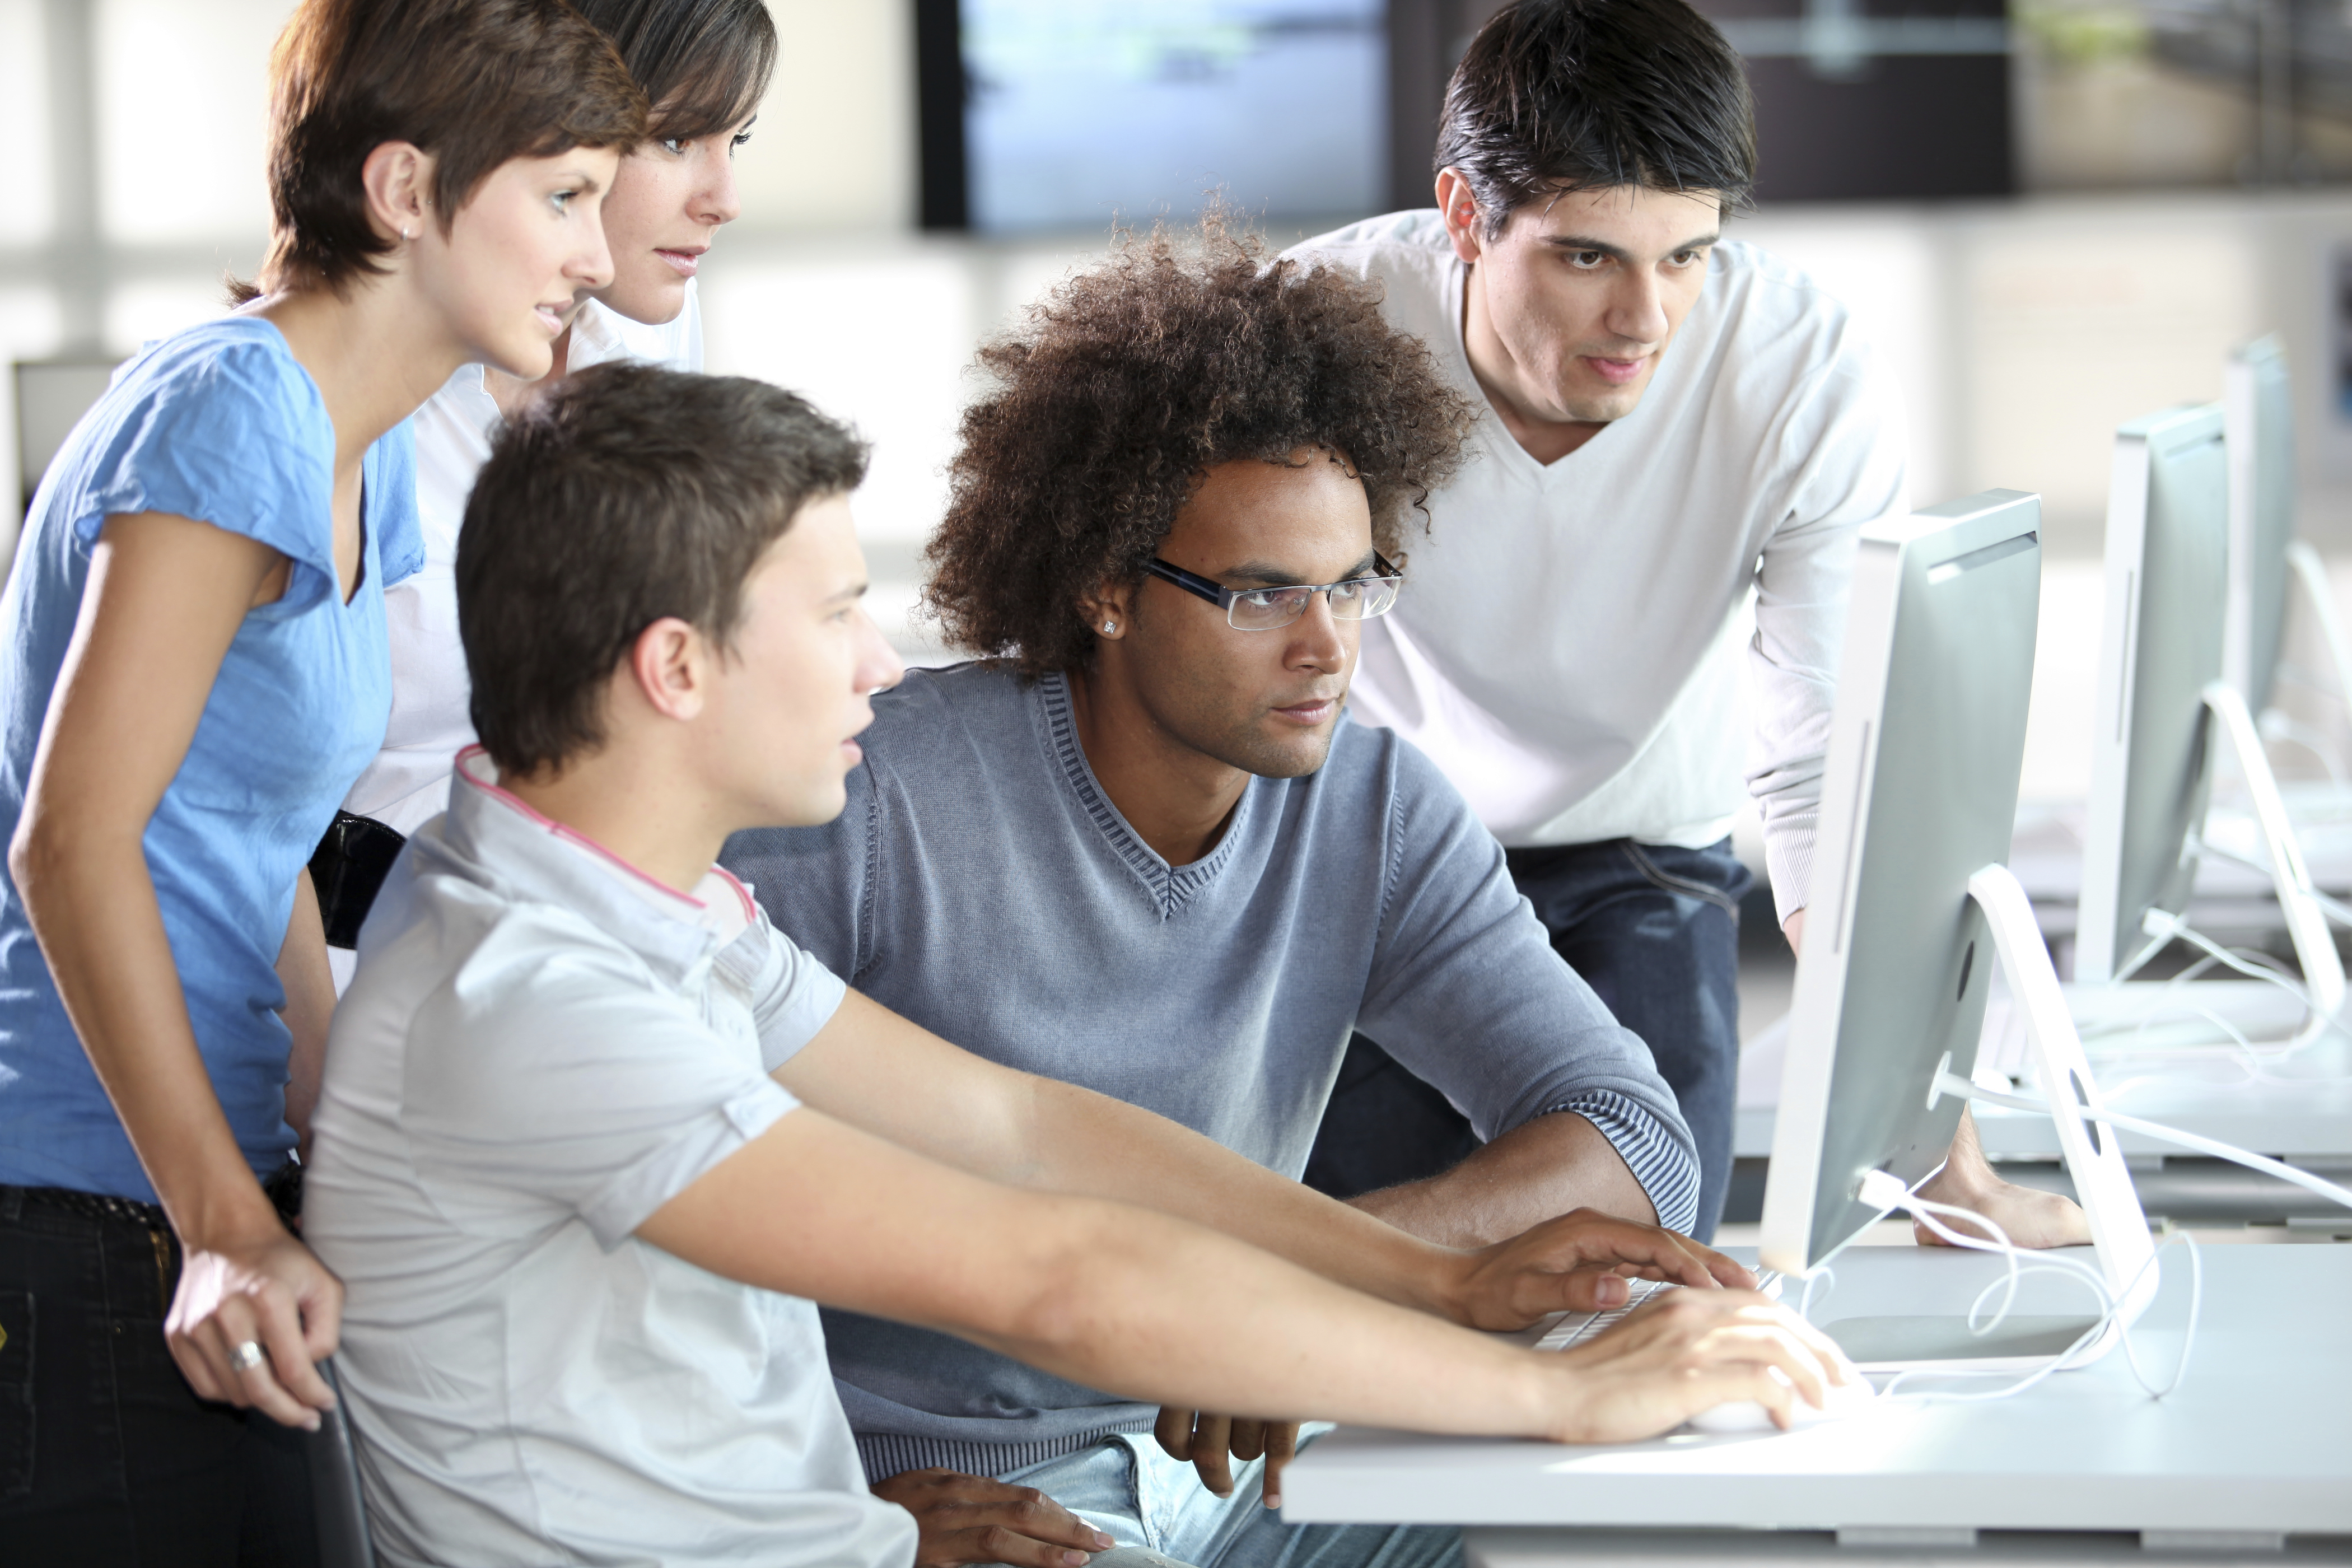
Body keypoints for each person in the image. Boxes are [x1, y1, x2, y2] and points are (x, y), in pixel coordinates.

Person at [305, 361, 1853, 1568]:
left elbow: (1031, 1133)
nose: (882, 662)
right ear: (678, 667)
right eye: (839, 613)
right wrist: (1562, 1394)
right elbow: (1058, 1273)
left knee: (1649, 1524)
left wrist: (1439, 1278)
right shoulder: (531, 1001)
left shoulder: (657, 912)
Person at [720, 222, 1716, 1568]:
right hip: (973, 1499)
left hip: (1252, 1459)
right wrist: (826, 1516)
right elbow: (667, 1199)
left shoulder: (1372, 808)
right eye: (1259, 595)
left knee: (1674, 1513)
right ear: (1105, 585)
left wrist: (1294, 1288)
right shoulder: (867, 801)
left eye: (1353, 583)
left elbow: (1634, 1135)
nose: (1327, 649)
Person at [0, 1, 645, 1558]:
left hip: (210, 1179)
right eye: (563, 198)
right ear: (408, 192)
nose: (600, 257)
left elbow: (262, 836)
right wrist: (225, 1224)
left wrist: (342, 1140)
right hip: (91, 1209)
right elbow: (73, 842)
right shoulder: (233, 407)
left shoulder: (359, 456)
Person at [1286, 0, 2087, 1248]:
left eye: (1687, 256)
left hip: (1639, 849)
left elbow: (1825, 762)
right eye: (1589, 257)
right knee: (1349, 1229)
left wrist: (1936, 1147)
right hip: (1379, 847)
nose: (1647, 320)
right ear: (1464, 218)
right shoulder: (1318, 328)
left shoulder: (1794, 367)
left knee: (1649, 1237)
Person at [319, 0, 774, 978]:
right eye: (677, 137)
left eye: (736, 138)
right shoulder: (343, 411)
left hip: (595, 950)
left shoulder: (648, 346)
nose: (725, 194)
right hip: (377, 962)